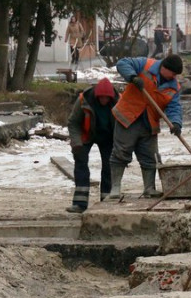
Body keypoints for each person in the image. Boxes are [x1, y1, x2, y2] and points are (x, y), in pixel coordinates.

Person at [109, 54, 184, 199]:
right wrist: (132, 77)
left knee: (150, 157)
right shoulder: (145, 65)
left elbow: (174, 107)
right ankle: (115, 188)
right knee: (121, 152)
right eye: (173, 73)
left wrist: (176, 123)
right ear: (164, 67)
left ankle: (149, 188)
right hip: (128, 117)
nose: (174, 76)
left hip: (149, 122)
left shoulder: (174, 87)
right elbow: (122, 62)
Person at [66, 78, 119, 212]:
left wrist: (121, 147)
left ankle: (106, 201)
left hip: (108, 137)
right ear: (97, 95)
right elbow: (73, 123)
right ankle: (80, 203)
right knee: (81, 163)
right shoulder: (84, 100)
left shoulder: (119, 101)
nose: (104, 100)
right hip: (86, 135)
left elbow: (124, 125)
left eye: (107, 98)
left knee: (109, 166)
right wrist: (76, 143)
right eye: (101, 98)